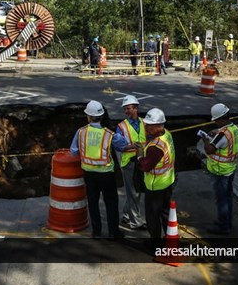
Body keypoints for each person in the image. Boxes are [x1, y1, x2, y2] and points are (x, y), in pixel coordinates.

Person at [70, 100, 128, 239]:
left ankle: (96, 232)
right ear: (101, 116)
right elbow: (122, 145)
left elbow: (73, 151)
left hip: (89, 173)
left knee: (93, 202)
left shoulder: (81, 132)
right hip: (106, 174)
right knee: (111, 203)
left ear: (88, 117)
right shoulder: (108, 134)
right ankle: (114, 232)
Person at [135, 108, 175, 248]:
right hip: (168, 182)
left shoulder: (155, 147)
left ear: (158, 126)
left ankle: (155, 243)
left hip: (155, 186)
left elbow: (145, 166)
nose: (146, 127)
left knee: (152, 217)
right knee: (165, 213)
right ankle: (169, 237)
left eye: (149, 125)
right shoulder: (167, 135)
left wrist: (139, 154)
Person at [201, 103, 238, 235]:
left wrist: (205, 139)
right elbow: (224, 134)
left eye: (216, 120)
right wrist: (217, 132)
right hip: (230, 169)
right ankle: (227, 222)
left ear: (221, 118)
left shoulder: (222, 136)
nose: (216, 123)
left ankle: (223, 227)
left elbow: (209, 150)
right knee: (228, 197)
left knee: (221, 200)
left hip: (220, 172)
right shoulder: (234, 129)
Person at [116, 95, 147, 231]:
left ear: (136, 108)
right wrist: (132, 147)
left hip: (141, 161)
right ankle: (136, 222)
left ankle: (126, 216)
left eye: (128, 108)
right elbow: (118, 146)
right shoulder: (121, 127)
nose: (126, 111)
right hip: (129, 163)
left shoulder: (145, 123)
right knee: (134, 192)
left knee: (135, 191)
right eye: (125, 109)